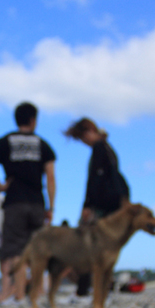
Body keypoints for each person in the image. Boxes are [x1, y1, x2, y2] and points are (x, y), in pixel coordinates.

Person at [0, 102, 56, 302]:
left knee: (15, 251)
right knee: (38, 250)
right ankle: (38, 294)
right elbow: (50, 178)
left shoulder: (6, 141)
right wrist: (51, 207)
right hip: (37, 203)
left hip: (14, 202)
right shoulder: (43, 144)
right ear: (33, 120)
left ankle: (20, 295)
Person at [64, 118, 130, 295]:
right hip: (113, 204)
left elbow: (95, 180)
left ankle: (84, 290)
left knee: (87, 245)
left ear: (89, 131)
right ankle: (97, 288)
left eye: (81, 138)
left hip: (103, 205)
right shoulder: (108, 148)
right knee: (102, 247)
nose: (83, 142)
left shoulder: (100, 148)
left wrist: (88, 205)